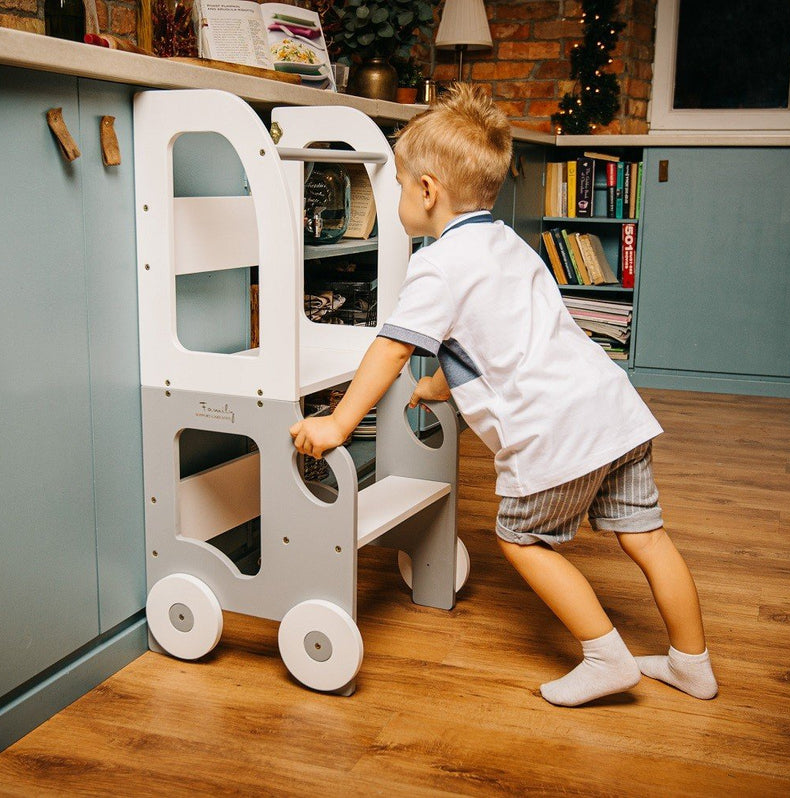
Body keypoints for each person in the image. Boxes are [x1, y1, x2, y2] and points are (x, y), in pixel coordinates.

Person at [289, 84, 717, 707]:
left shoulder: (438, 263)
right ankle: (691, 663)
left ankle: (606, 658)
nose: (400, 198)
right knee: (647, 537)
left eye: (403, 185)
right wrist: (442, 385)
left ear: (427, 190)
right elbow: (503, 339)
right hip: (611, 409)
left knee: (521, 541)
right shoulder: (507, 243)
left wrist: (336, 423)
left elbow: (392, 347)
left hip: (555, 430)